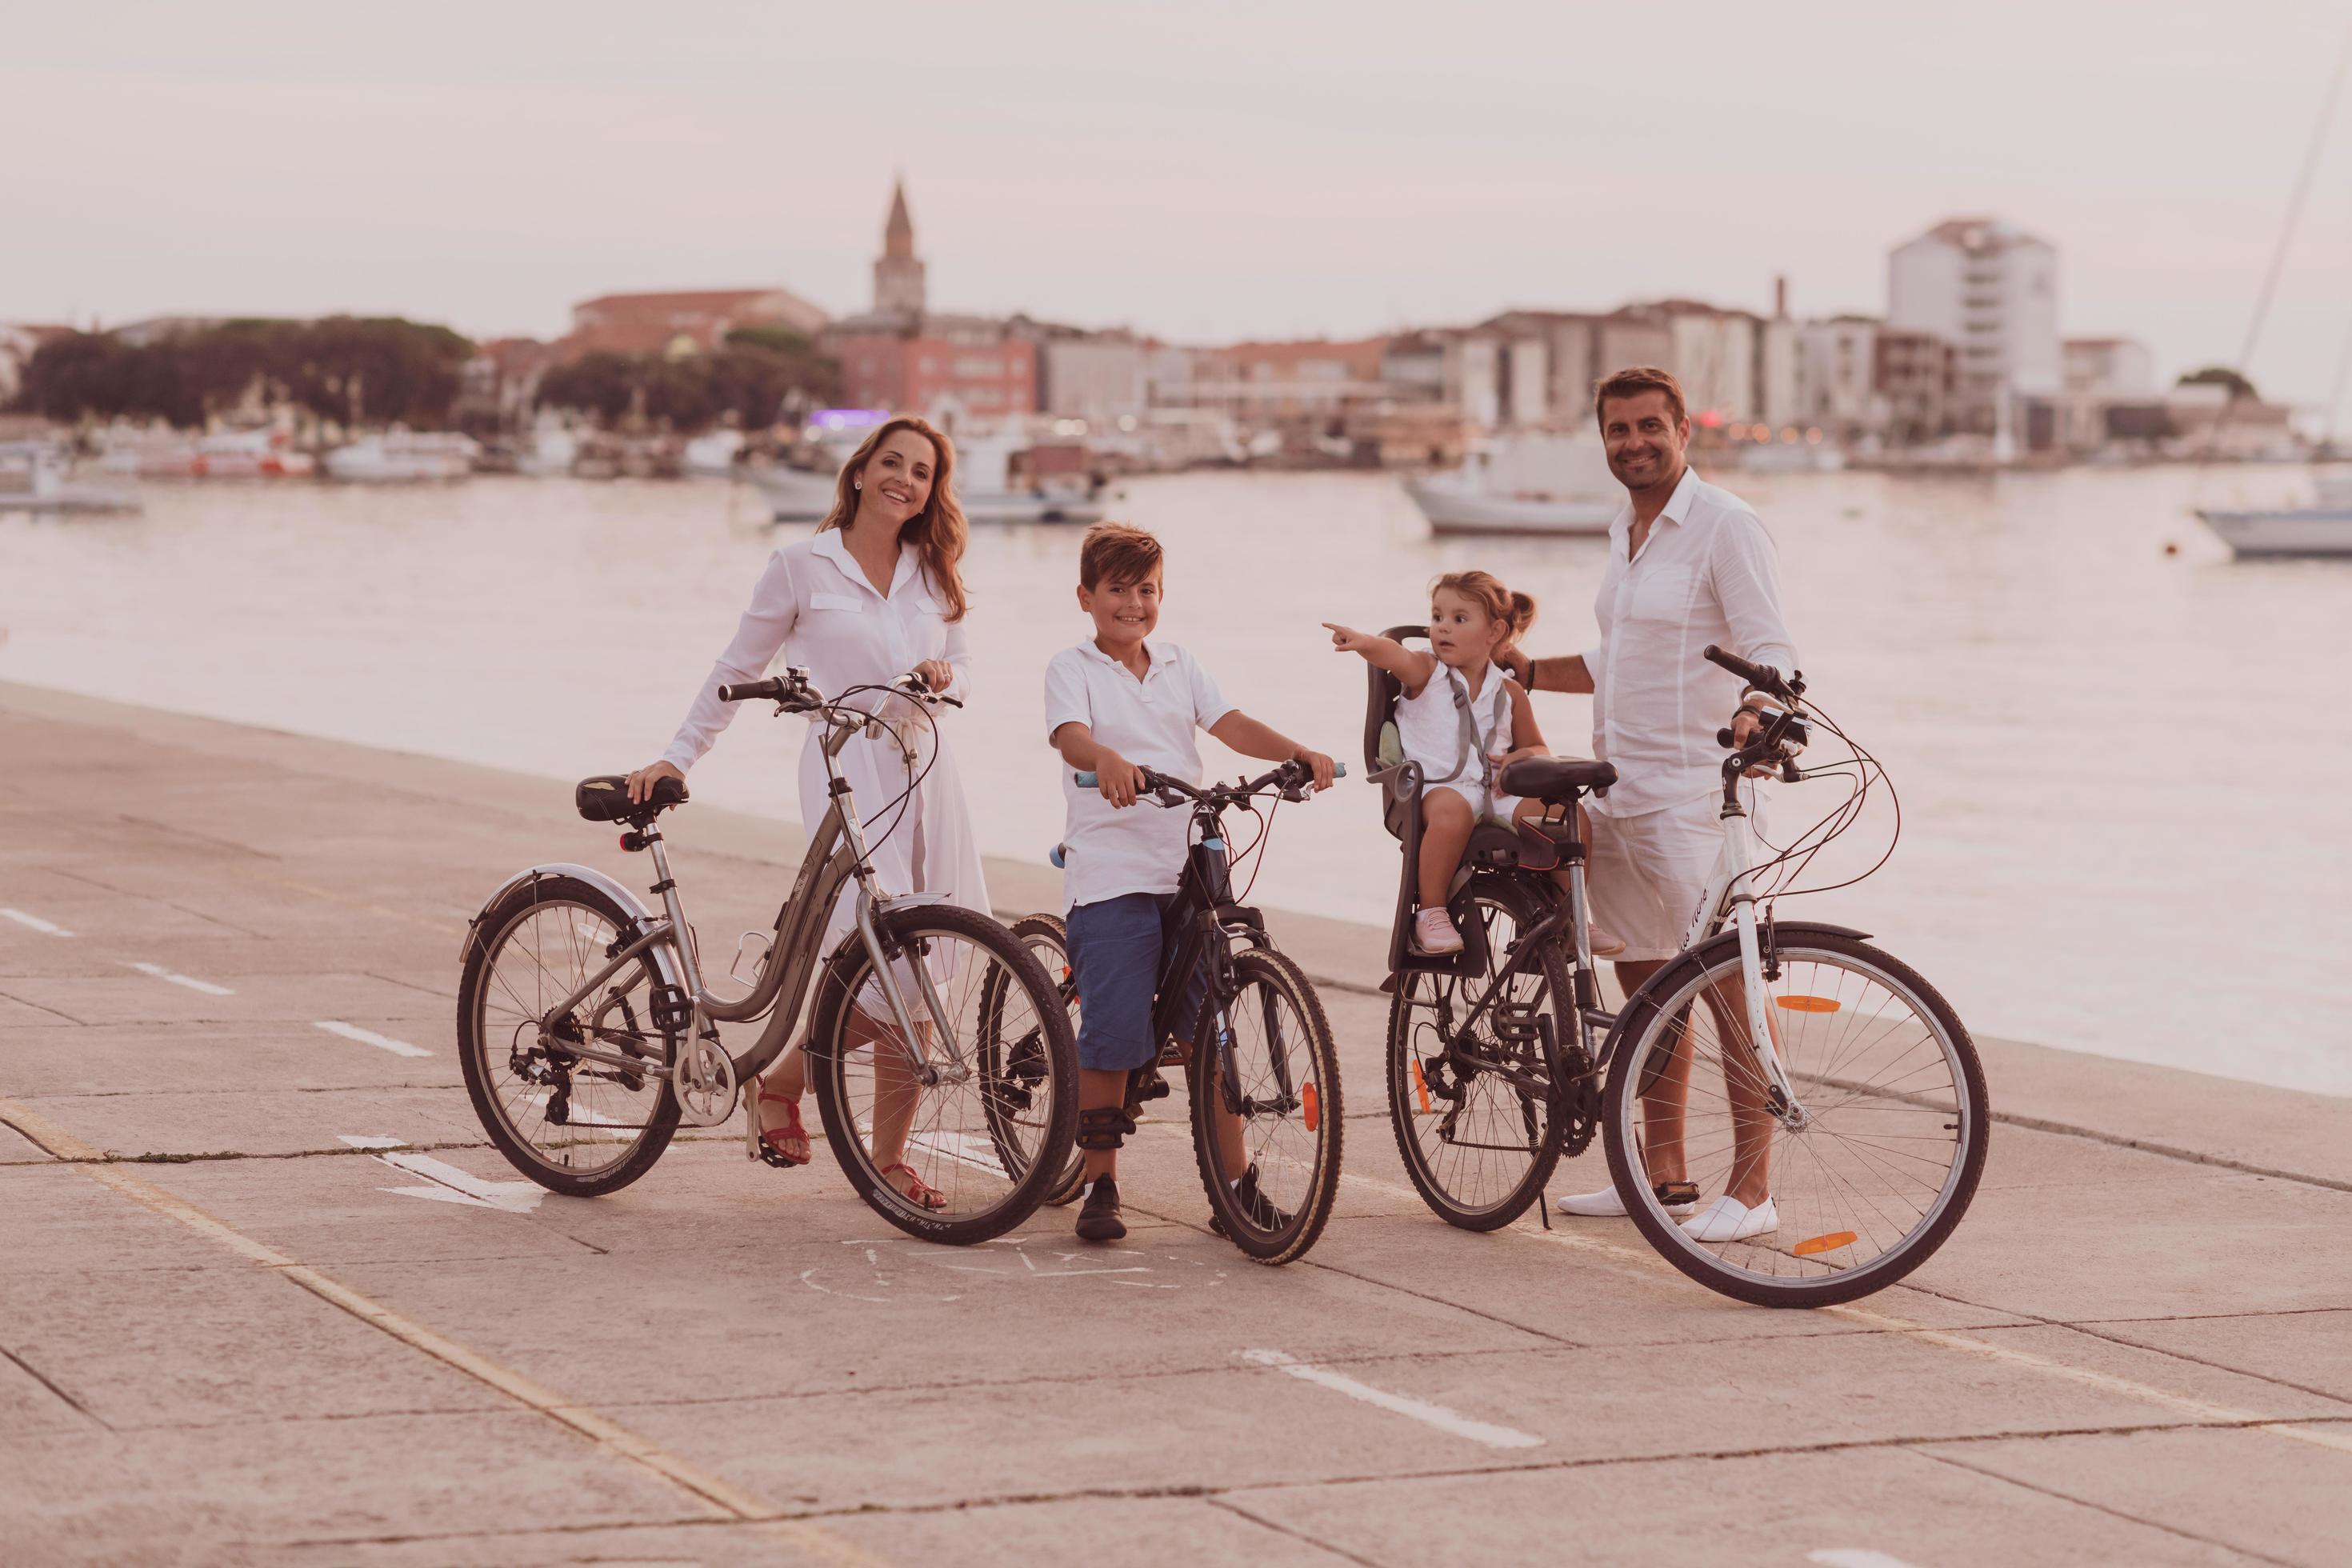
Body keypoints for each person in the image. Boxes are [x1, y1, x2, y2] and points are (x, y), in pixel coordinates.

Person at [624, 414, 985, 1212]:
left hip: (926, 768)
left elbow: (963, 675)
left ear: (933, 490)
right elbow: (736, 666)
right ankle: (788, 1085)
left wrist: (938, 674)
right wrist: (677, 758)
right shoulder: (801, 564)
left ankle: (871, 1148)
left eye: (922, 472)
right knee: (885, 961)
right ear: (860, 471)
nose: (906, 480)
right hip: (845, 766)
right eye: (892, 462)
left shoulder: (936, 567)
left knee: (922, 971)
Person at [1501, 367, 1798, 1245]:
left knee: (1725, 986)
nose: (1633, 442)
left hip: (1693, 797)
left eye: (1648, 427)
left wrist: (1758, 711)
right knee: (1646, 986)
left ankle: (1753, 1188)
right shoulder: (1624, 530)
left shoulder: (1727, 527)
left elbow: (1771, 649)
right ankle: (1659, 1175)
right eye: (1617, 430)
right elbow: (1614, 659)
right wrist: (1519, 670)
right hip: (1616, 786)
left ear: (1683, 431)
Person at [1044, 522, 1336, 1242]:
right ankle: (1101, 1182)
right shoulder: (1071, 666)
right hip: (1112, 869)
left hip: (1187, 865)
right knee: (1112, 1032)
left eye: (1146, 590)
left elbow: (1229, 724)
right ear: (1086, 597)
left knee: (1216, 1029)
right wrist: (1106, 758)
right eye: (1117, 589)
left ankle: (1234, 1187)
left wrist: (1295, 750)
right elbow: (1070, 736)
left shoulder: (1178, 662)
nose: (1133, 603)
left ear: (1161, 596)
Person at [1325, 573, 1622, 958]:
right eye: (1437, 617)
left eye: (1459, 619)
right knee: (1454, 813)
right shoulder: (1427, 674)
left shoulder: (1508, 689)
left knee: (1572, 817)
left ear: (1494, 631)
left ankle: (1572, 915)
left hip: (1496, 792)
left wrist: (1521, 755)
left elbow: (1536, 744)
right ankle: (1431, 913)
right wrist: (1365, 643)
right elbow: (1394, 655)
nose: (1442, 627)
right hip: (1434, 789)